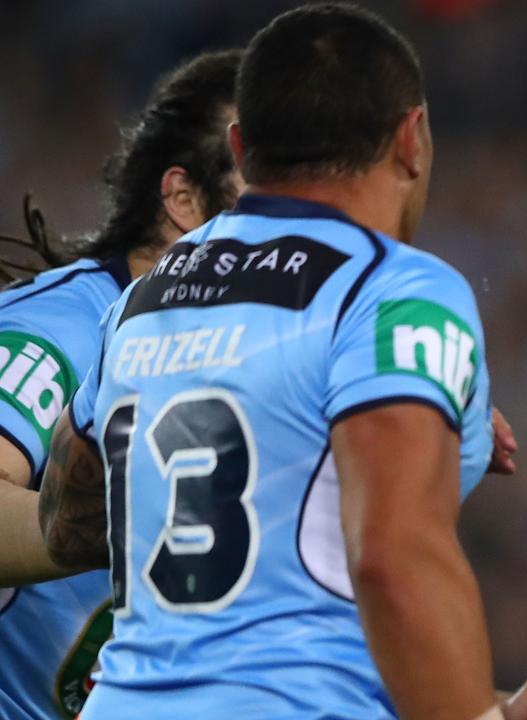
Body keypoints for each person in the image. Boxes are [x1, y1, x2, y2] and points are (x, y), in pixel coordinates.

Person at [36, 5, 527, 720]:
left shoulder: (145, 296)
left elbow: (66, 522)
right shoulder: (395, 289)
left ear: (241, 147)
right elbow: (392, 556)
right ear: (412, 139)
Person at [0, 48, 243, 719]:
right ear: (184, 199)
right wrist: (124, 516)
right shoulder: (67, 330)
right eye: (266, 182)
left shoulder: (250, 373)